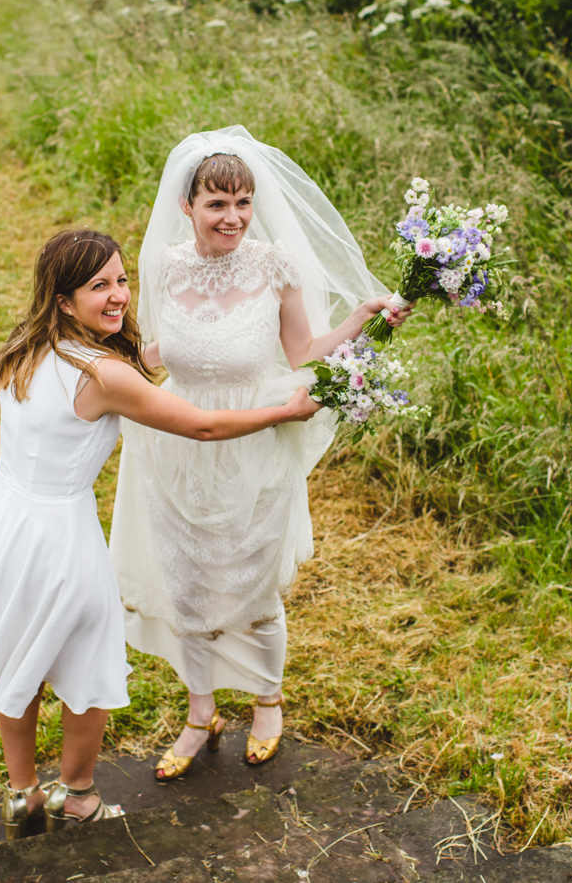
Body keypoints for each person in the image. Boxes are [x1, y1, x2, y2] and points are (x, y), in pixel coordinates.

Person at [0, 228, 321, 839]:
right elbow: (201, 427)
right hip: (61, 533)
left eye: (122, 279)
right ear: (64, 300)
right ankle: (81, 796)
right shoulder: (104, 374)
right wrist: (285, 411)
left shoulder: (24, 346)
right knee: (87, 666)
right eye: (100, 286)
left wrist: (29, 477)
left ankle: (21, 795)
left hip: (3, 519)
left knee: (22, 655)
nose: (119, 295)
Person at [109, 126, 411, 782]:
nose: (233, 217)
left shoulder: (274, 265)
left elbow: (303, 352)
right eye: (217, 203)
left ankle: (268, 702)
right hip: (179, 441)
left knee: (253, 584)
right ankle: (200, 714)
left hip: (256, 442)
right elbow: (159, 350)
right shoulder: (164, 265)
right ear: (186, 206)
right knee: (186, 582)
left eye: (243, 202)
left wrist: (361, 318)